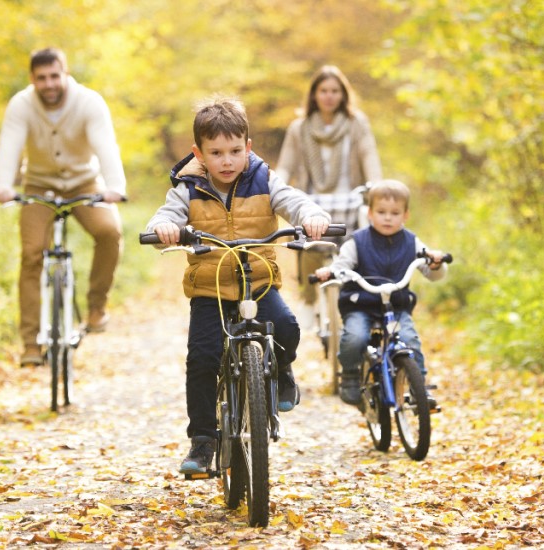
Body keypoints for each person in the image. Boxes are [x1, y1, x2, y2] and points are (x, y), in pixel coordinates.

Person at [145, 97, 330, 475]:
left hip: (257, 283)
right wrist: (164, 229)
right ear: (199, 153)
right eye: (216, 153)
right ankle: (202, 441)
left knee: (288, 327)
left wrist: (309, 214)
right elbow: (167, 214)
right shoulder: (188, 187)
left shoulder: (263, 178)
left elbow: (290, 199)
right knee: (202, 358)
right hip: (209, 288)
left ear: (248, 148)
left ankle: (281, 371)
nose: (226, 161)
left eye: (234, 151)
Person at [0, 48, 127, 367]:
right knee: (31, 252)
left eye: (54, 76)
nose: (49, 84)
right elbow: (8, 146)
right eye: (41, 78)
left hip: (85, 183)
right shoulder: (21, 105)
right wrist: (3, 187)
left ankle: (96, 307)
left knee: (109, 231)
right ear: (32, 80)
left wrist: (115, 187)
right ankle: (30, 343)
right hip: (39, 186)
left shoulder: (89, 102)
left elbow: (106, 146)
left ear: (65, 74)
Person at [312, 180, 447, 408]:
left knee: (410, 340)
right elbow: (342, 265)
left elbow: (430, 269)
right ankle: (351, 375)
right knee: (355, 337)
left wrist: (434, 263)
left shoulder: (412, 242)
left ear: (405, 215)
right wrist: (331, 272)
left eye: (395, 213)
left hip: (395, 308)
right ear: (370, 213)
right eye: (381, 212)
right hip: (360, 305)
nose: (387, 218)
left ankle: (419, 387)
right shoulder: (357, 241)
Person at [276, 65, 382, 310]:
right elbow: (285, 166)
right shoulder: (299, 128)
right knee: (308, 247)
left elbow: (370, 158)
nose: (329, 96)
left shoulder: (357, 124)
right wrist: (273, 188)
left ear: (343, 94)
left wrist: (376, 187)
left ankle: (354, 301)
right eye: (324, 90)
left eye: (335, 90)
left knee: (355, 251)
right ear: (314, 94)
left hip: (350, 199)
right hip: (311, 201)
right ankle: (309, 300)